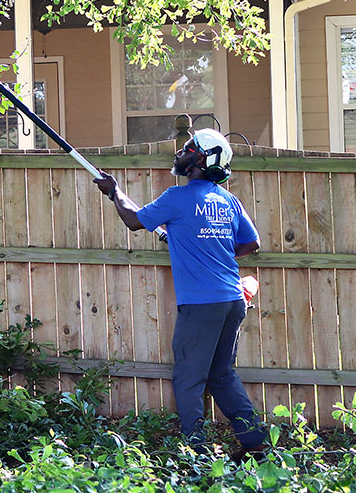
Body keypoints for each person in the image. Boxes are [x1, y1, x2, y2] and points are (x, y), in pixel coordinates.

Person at [94, 128, 267, 461]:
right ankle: (255, 443)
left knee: (189, 376)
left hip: (202, 304)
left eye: (187, 149)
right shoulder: (227, 200)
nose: (180, 153)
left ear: (201, 159)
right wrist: (211, 250)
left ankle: (196, 453)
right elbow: (251, 243)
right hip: (232, 299)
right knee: (221, 373)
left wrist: (114, 192)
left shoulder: (177, 198)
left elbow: (133, 220)